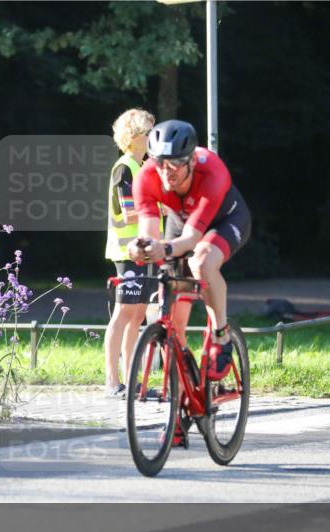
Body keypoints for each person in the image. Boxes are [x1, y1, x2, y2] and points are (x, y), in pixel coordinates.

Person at [129, 119, 251, 426]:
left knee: (201, 262)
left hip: (224, 220)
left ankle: (221, 336)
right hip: (180, 224)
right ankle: (180, 405)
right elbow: (149, 230)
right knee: (171, 320)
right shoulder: (146, 177)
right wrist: (142, 247)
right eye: (159, 164)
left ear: (191, 161)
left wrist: (166, 249)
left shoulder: (212, 171)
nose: (166, 172)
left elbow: (193, 240)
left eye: (174, 165)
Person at [103, 108, 159, 398]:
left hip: (146, 251)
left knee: (137, 316)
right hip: (128, 253)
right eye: (149, 132)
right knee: (123, 314)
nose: (153, 137)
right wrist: (161, 207)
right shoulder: (125, 167)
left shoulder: (144, 167)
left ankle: (131, 382)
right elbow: (127, 215)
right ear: (135, 136)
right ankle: (112, 382)